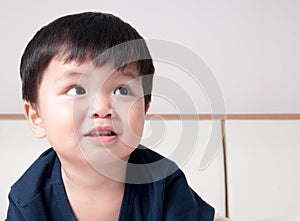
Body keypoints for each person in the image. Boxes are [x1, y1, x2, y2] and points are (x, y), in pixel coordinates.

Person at [6, 12, 215, 220]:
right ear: (36, 117)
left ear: (144, 110)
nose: (102, 108)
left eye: (122, 91)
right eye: (77, 90)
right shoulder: (28, 199)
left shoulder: (163, 182)